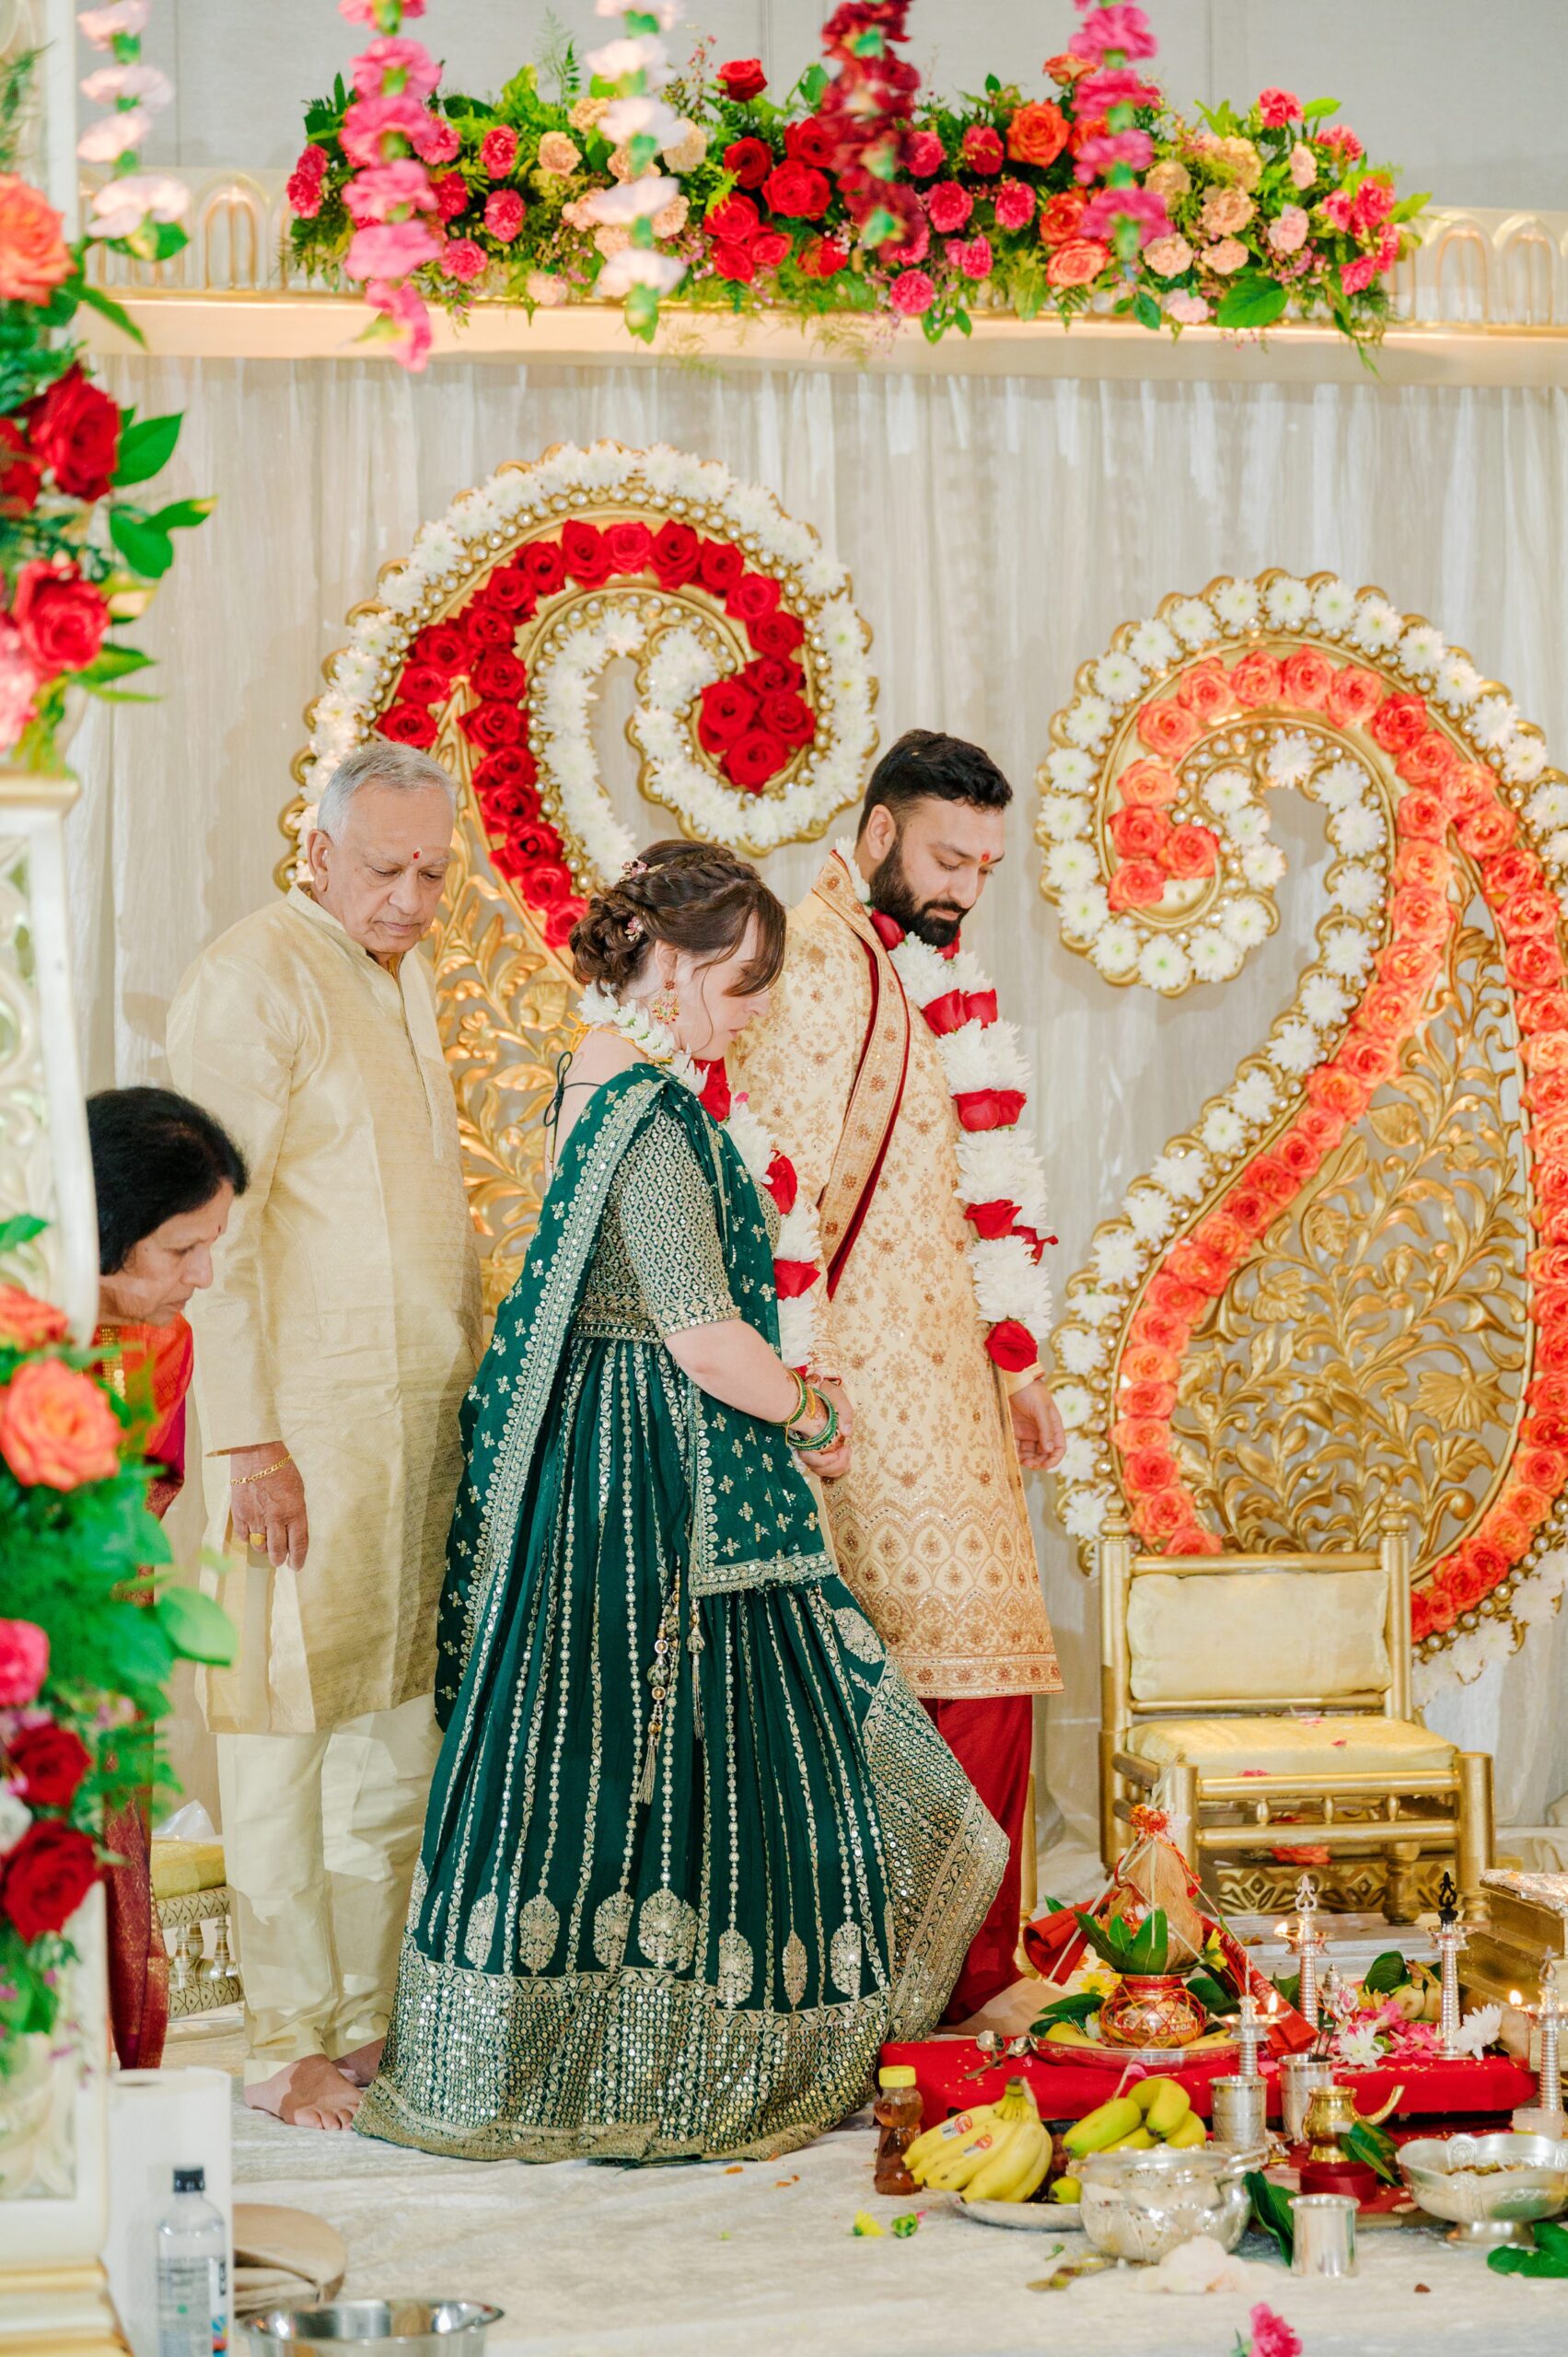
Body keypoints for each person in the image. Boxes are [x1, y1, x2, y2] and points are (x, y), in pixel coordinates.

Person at [351, 841, 1005, 2161]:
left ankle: (577, 2041)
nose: (756, 1009)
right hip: (656, 1476)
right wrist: (817, 1415)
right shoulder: (647, 1113)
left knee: (620, 1767)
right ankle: (693, 2052)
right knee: (698, 1750)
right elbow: (701, 1334)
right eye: (744, 982)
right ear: (670, 963)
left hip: (610, 1463)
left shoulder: (598, 1082)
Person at [166, 740, 482, 2127]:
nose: (413, 900)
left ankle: (370, 2020)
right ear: (316, 853)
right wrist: (244, 1442)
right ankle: (284, 2036)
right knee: (283, 1729)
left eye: (431, 872)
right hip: (287, 1435)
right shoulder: (251, 978)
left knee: (387, 1728)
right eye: (385, 870)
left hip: (406, 1424)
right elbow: (207, 1241)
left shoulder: (396, 973)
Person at [734, 729, 1065, 2031]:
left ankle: (948, 1979)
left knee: (979, 1674)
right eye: (942, 856)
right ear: (872, 832)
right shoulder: (817, 965)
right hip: (863, 1403)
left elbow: (977, 1202)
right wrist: (797, 1391)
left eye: (983, 866)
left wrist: (1017, 1363)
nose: (961, 888)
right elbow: (777, 1197)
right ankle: (930, 1990)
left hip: (950, 1390)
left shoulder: (913, 965)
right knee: (934, 1683)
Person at [87, 1083, 249, 2070]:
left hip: (97, 1630)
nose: (204, 1271)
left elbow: (143, 1500)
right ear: (110, 1227)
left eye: (213, 1241)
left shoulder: (161, 1340)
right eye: (181, 1247)